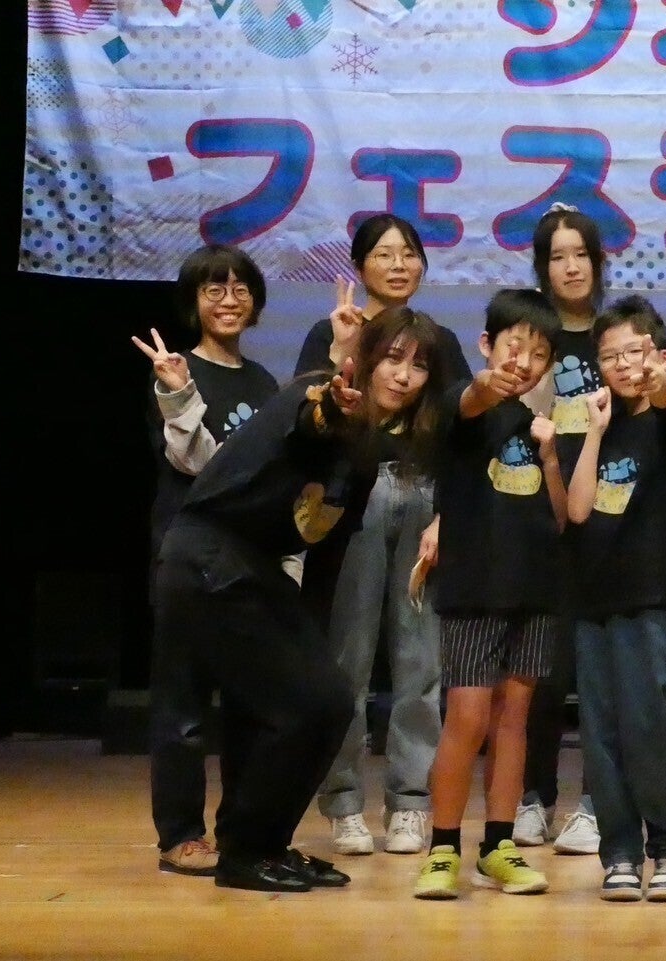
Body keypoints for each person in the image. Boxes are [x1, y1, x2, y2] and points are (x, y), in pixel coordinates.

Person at [151, 306, 449, 892]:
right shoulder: (314, 397)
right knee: (310, 704)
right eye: (392, 358)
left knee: (316, 703)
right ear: (364, 359)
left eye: (418, 367)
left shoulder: (368, 454)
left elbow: (329, 551)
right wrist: (334, 405)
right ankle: (247, 852)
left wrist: (309, 635)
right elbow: (314, 421)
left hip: (256, 571)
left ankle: (258, 844)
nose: (402, 375)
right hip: (209, 558)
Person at [302, 214, 471, 858]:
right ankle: (344, 803)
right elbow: (309, 421)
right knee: (345, 662)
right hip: (356, 501)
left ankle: (411, 803)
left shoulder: (438, 339)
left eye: (409, 254)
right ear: (359, 265)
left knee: (420, 661)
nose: (399, 264)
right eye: (383, 253)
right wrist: (343, 353)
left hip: (423, 496)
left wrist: (447, 513)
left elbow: (462, 433)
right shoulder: (333, 330)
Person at [411, 290, 565, 899]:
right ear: (486, 346)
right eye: (513, 346)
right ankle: (442, 848)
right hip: (475, 588)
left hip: (535, 589)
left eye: (539, 353)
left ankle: (498, 845)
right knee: (468, 718)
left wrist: (551, 456)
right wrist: (485, 385)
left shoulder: (539, 426)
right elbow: (470, 398)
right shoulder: (464, 406)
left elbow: (560, 516)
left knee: (513, 720)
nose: (524, 361)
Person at [137, 244, 280, 877]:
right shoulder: (172, 371)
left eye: (241, 288)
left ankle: (240, 832)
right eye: (213, 289)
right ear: (193, 302)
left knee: (250, 706)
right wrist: (180, 393)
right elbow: (197, 465)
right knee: (184, 705)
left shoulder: (264, 382)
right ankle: (180, 835)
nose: (229, 300)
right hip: (188, 559)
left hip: (249, 561)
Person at [565, 296, 666, 902]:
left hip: (656, 598)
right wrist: (594, 433)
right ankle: (619, 852)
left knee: (651, 730)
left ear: (661, 356)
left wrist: (660, 385)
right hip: (594, 600)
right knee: (601, 737)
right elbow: (577, 511)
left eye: (635, 352)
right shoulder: (600, 423)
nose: (623, 365)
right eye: (610, 357)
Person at [515, 203, 606, 856]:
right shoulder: (532, 341)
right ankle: (533, 796)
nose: (571, 267)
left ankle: (597, 803)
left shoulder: (616, 334)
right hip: (538, 521)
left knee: (601, 671)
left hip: (606, 523)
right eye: (557, 256)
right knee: (541, 670)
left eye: (581, 254)